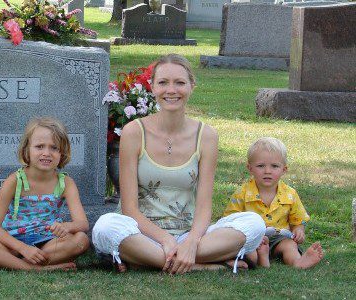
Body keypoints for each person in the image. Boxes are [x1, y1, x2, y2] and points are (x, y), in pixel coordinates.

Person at [92, 54, 265, 274]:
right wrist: (165, 240)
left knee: (254, 224)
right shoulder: (134, 132)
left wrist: (191, 242)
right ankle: (199, 266)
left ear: (192, 86)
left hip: (189, 234)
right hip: (142, 233)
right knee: (105, 227)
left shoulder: (207, 135)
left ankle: (146, 260)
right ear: (152, 87)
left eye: (180, 83)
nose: (171, 90)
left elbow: (204, 207)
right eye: (163, 82)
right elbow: (129, 210)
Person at [0, 117, 90, 271]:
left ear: (62, 152)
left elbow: (82, 224)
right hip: (11, 243)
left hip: (47, 243)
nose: (46, 153)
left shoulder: (66, 183)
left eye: (54, 148)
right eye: (39, 146)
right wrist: (23, 248)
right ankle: (36, 268)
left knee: (81, 240)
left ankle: (12, 264)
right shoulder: (15, 181)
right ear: (27, 150)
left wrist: (67, 226)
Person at [223, 137, 324, 269]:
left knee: (290, 246)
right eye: (260, 166)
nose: (267, 171)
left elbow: (298, 220)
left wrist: (299, 230)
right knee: (248, 250)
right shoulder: (241, 193)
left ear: (284, 169)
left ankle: (298, 262)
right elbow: (230, 220)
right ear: (250, 168)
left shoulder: (290, 194)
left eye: (274, 166)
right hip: (253, 238)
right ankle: (260, 260)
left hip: (279, 238)